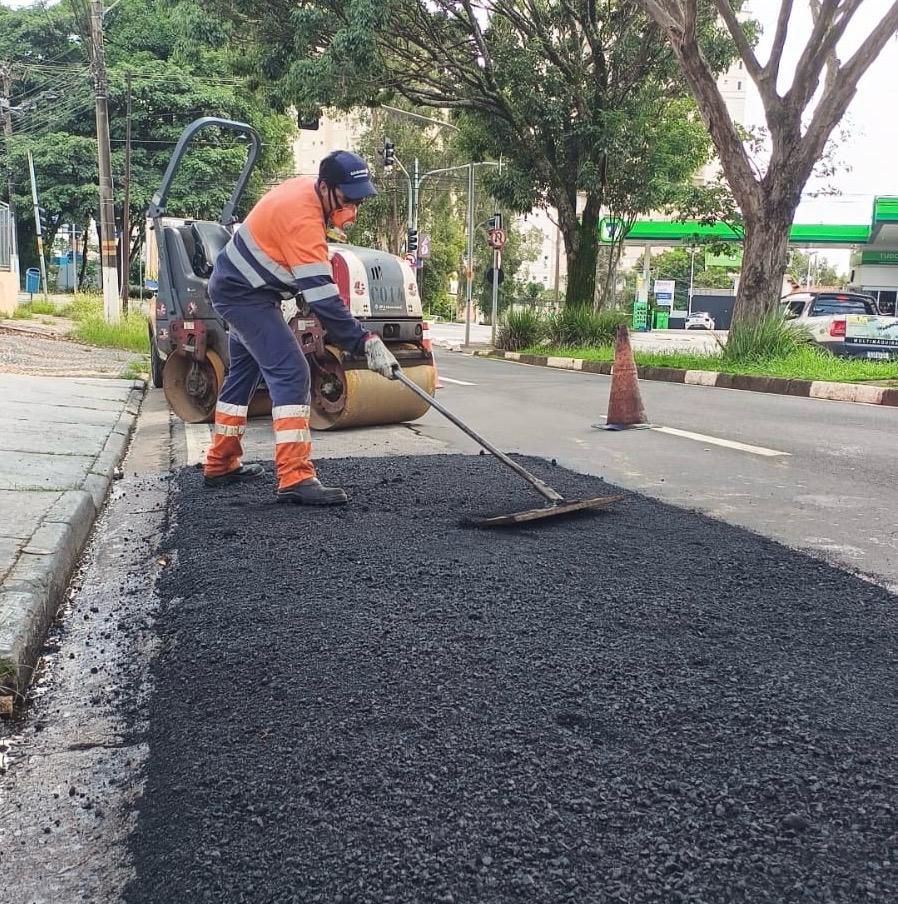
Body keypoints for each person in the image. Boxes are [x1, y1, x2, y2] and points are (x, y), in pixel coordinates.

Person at [201, 150, 399, 506]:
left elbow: (305, 276)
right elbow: (323, 298)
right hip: (243, 295)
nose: (352, 209)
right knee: (292, 372)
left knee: (243, 374)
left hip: (247, 290)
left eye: (358, 202)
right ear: (325, 188)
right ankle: (295, 476)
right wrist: (364, 342)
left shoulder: (308, 196)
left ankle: (220, 462)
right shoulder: (303, 216)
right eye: (347, 199)